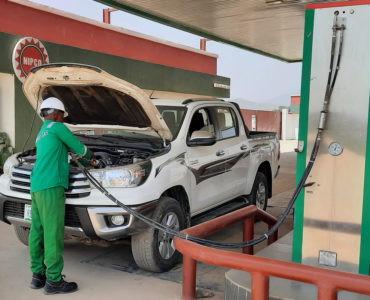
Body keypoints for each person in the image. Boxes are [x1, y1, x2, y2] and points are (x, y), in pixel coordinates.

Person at [29, 97, 93, 295]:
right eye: (63, 116)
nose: (63, 119)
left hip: (36, 186)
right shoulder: (58, 127)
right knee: (53, 233)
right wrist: (92, 158)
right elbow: (81, 149)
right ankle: (54, 281)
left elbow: (54, 155)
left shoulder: (42, 132)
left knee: (37, 232)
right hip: (51, 186)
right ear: (56, 113)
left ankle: (37, 275)